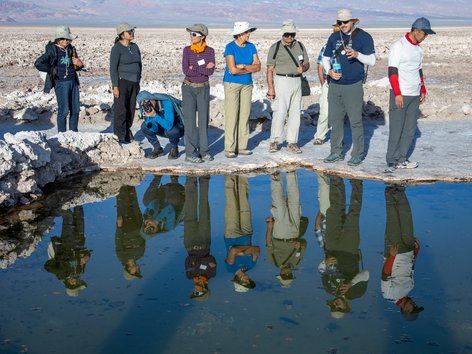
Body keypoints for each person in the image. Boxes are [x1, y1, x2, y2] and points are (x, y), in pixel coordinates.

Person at [322, 9, 376, 166]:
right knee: (335, 120)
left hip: (353, 85)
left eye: (345, 22)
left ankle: (357, 154)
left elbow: (372, 60)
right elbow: (326, 58)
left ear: (353, 21)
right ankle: (336, 152)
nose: (343, 25)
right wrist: (329, 71)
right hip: (335, 85)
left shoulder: (364, 37)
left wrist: (358, 55)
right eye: (340, 23)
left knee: (355, 121)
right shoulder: (334, 36)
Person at [384, 18, 436, 173]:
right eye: (425, 34)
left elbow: (418, 70)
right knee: (397, 128)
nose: (425, 37)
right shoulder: (398, 46)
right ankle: (391, 161)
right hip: (401, 94)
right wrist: (398, 94)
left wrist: (423, 89)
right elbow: (392, 72)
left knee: (409, 129)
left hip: (414, 94)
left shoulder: (418, 49)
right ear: (416, 31)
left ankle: (402, 159)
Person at [318, 176, 369, 318]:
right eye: (339, 308)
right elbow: (366, 274)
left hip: (331, 246)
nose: (336, 304)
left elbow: (321, 270)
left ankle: (336, 180)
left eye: (333, 306)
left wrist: (325, 262)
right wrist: (351, 283)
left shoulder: (329, 288)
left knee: (333, 211)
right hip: (350, 249)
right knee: (353, 214)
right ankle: (356, 182)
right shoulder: (356, 293)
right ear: (346, 307)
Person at [266, 20, 310, 154]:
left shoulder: (300, 46)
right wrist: (271, 88)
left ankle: (292, 142)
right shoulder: (275, 47)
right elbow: (269, 69)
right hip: (281, 80)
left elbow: (307, 64)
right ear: (282, 34)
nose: (289, 37)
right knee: (280, 112)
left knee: (296, 113)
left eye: (292, 34)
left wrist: (303, 68)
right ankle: (274, 141)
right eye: (287, 34)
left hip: (297, 81)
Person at [382, 184, 424, 320]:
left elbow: (385, 275)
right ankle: (399, 190)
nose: (414, 304)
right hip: (408, 249)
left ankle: (389, 191)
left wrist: (392, 257)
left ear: (405, 310)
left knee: (393, 220)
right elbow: (411, 267)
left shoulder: (389, 296)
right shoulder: (410, 287)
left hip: (394, 252)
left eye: (413, 308)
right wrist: (416, 251)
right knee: (406, 218)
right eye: (416, 306)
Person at [35, 26, 84, 133]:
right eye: (63, 39)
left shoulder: (71, 49)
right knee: (64, 110)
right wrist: (51, 69)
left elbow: (76, 65)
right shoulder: (52, 50)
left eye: (68, 39)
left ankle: (73, 134)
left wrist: (80, 64)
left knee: (75, 110)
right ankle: (62, 135)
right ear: (58, 39)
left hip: (73, 82)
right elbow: (38, 63)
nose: (66, 41)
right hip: (61, 83)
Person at [223, 21, 261, 158]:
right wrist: (249, 68)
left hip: (247, 84)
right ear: (239, 34)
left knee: (244, 115)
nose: (248, 34)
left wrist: (244, 66)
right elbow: (232, 70)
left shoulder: (251, 47)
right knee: (232, 115)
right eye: (246, 32)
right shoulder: (230, 47)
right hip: (232, 84)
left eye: (249, 31)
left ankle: (242, 146)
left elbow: (258, 67)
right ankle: (230, 148)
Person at [265, 171, 308, 288]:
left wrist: (269, 227)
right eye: (289, 275)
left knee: (278, 202)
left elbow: (269, 243)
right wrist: (300, 244)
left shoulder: (273, 261)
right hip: (294, 231)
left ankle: (275, 175)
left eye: (285, 275)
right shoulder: (297, 261)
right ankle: (291, 173)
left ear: (280, 274)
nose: (288, 273)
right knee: (294, 200)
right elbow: (304, 243)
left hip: (279, 233)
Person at [181, 24, 216, 163]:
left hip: (203, 88)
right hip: (188, 88)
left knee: (203, 120)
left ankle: (204, 151)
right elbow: (186, 70)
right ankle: (190, 153)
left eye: (194, 34)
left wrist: (193, 66)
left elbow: (210, 72)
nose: (191, 37)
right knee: (189, 121)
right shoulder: (187, 50)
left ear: (202, 36)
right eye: (190, 34)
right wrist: (201, 66)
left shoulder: (210, 51)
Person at [44, 206, 91, 297]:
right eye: (77, 283)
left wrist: (59, 259)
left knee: (68, 217)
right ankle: (77, 196)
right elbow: (87, 254)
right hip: (79, 241)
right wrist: (86, 257)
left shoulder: (61, 274)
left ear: (67, 283)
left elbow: (47, 266)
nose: (75, 282)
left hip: (67, 243)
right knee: (79, 215)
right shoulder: (80, 271)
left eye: (73, 285)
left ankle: (61, 199)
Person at [224, 175, 260, 292]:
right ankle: (243, 175)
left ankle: (230, 175)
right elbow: (257, 249)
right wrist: (243, 251)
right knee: (244, 202)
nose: (247, 279)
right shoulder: (251, 266)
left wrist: (245, 251)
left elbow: (233, 250)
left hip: (232, 234)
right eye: (249, 281)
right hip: (247, 232)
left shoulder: (230, 267)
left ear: (238, 280)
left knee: (232, 204)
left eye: (245, 282)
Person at [184, 176, 216, 301]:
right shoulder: (211, 274)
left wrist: (201, 262)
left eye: (194, 292)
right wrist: (200, 262)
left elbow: (188, 259)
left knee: (189, 210)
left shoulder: (189, 275)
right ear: (205, 289)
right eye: (199, 293)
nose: (196, 290)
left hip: (190, 244)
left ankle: (190, 180)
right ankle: (204, 179)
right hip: (204, 242)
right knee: (204, 208)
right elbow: (211, 258)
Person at [110, 22, 142, 144]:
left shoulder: (134, 47)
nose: (132, 33)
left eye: (132, 31)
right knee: (121, 109)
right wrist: (115, 86)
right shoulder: (117, 48)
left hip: (134, 82)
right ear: (122, 35)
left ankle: (127, 131)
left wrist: (138, 80)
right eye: (129, 32)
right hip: (122, 82)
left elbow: (139, 64)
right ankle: (120, 136)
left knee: (131, 109)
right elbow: (113, 68)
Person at [313, 25, 340, 146]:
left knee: (339, 112)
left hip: (342, 84)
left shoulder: (348, 48)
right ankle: (319, 136)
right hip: (328, 83)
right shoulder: (326, 47)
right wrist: (322, 82)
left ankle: (338, 136)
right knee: (324, 111)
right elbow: (320, 65)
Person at [137, 91, 185, 160]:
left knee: (171, 131)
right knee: (144, 126)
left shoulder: (166, 102)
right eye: (144, 104)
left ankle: (174, 148)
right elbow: (154, 129)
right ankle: (158, 149)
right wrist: (149, 120)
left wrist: (155, 115)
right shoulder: (145, 109)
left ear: (152, 98)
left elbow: (169, 125)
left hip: (177, 127)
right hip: (163, 127)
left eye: (148, 101)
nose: (148, 105)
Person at [115, 185, 145, 280]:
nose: (138, 270)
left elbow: (118, 241)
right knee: (134, 201)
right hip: (138, 223)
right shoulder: (140, 254)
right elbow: (144, 237)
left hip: (126, 227)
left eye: (135, 272)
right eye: (138, 272)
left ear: (128, 270)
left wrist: (119, 226)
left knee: (123, 201)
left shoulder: (122, 256)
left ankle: (121, 182)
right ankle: (131, 181)